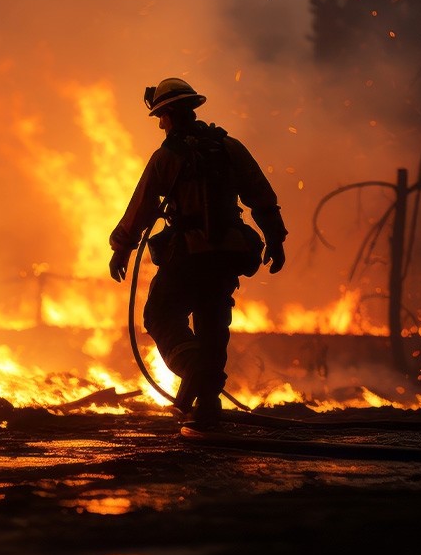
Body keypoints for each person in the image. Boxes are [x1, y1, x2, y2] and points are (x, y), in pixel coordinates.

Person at [108, 77, 287, 428]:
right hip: (226, 255)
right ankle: (207, 406)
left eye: (161, 117)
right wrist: (275, 239)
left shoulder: (166, 158)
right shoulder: (230, 148)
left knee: (160, 317)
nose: (161, 124)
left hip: (187, 256)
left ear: (171, 113)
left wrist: (121, 248)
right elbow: (261, 196)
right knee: (213, 323)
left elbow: (141, 207)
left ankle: (196, 372)